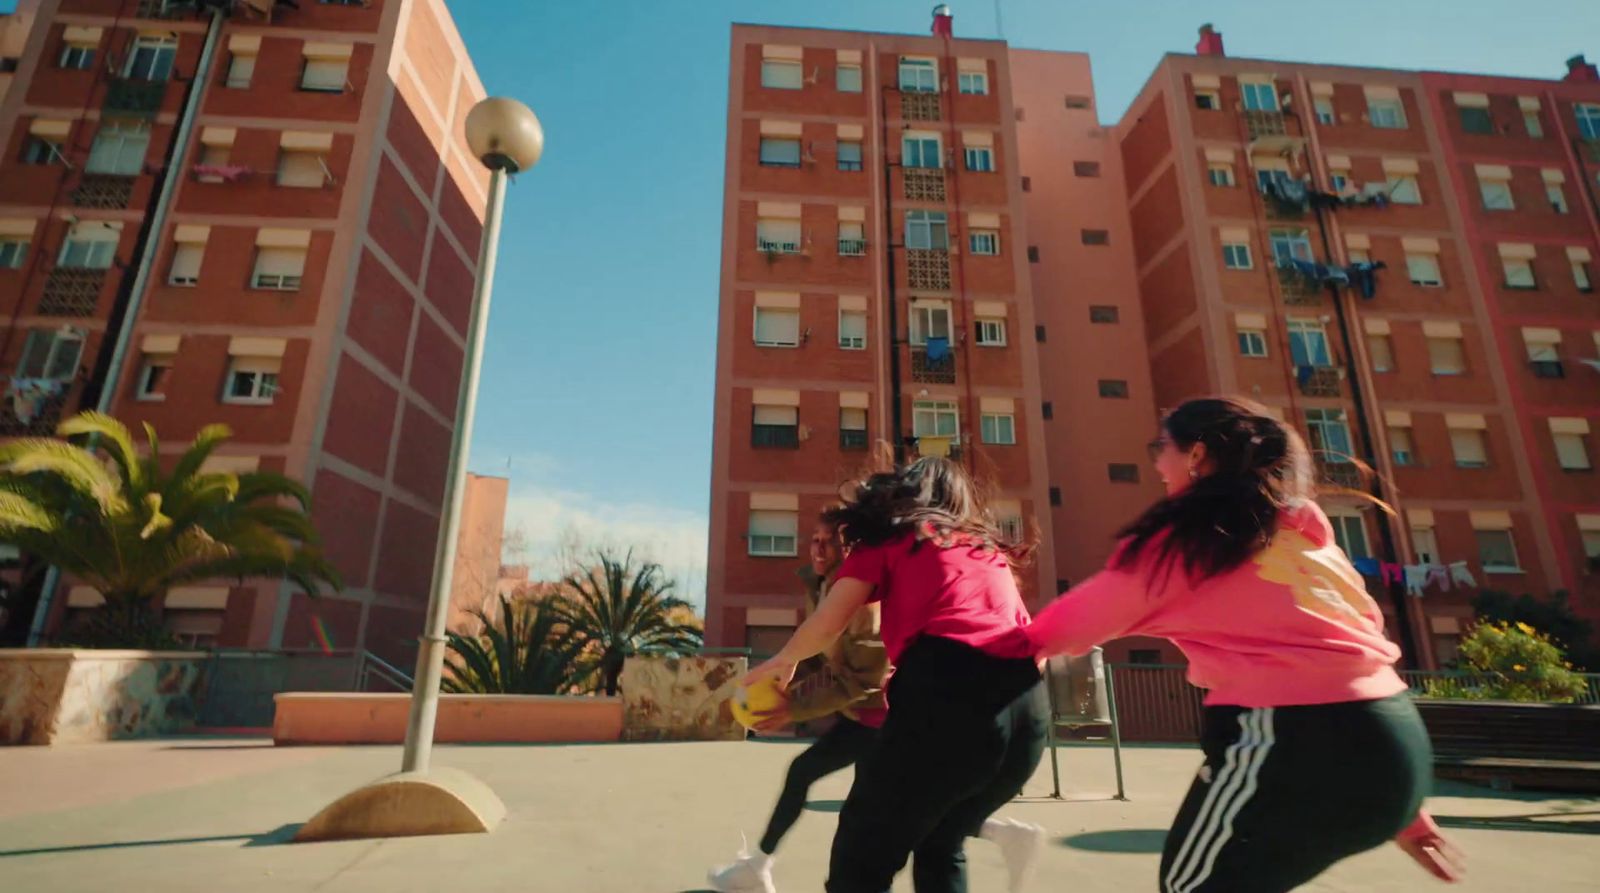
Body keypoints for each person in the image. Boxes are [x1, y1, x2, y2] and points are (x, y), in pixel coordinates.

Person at [1024, 397, 1465, 893]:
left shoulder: (1191, 544)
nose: (1156, 464)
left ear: (1197, 455)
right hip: (1396, 741)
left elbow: (1060, 629)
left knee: (1190, 888)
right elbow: (1351, 643)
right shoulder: (1306, 536)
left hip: (1289, 737)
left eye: (1159, 447)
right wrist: (1401, 809)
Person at [744, 459, 1049, 893]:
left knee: (860, 857)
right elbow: (1036, 649)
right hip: (1028, 715)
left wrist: (785, 661)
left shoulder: (892, 538)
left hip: (950, 692)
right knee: (941, 843)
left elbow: (830, 620)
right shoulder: (986, 552)